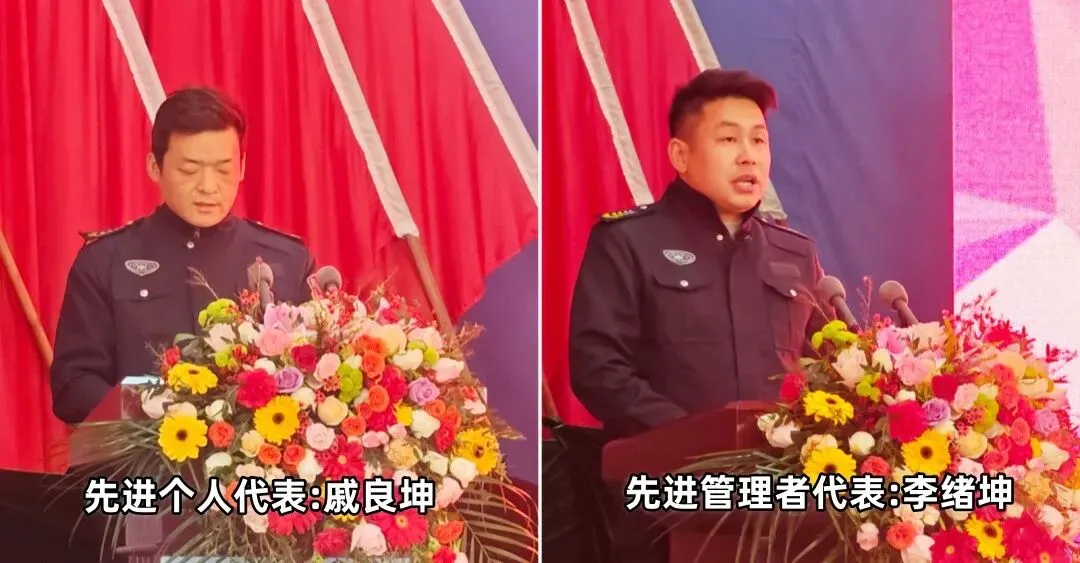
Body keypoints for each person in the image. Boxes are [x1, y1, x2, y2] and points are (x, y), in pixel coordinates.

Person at [567, 69, 833, 561]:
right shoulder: (629, 241)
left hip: (784, 507)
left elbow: (830, 367)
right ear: (681, 155)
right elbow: (598, 369)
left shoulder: (794, 252)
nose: (749, 155)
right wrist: (695, 439)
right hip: (669, 501)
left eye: (758, 140)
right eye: (729, 139)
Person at [50, 87, 317, 425]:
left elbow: (317, 376)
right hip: (143, 456)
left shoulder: (288, 260)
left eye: (223, 169)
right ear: (154, 166)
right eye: (190, 170)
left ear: (242, 167)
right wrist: (162, 405)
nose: (208, 186)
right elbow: (73, 388)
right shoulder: (105, 261)